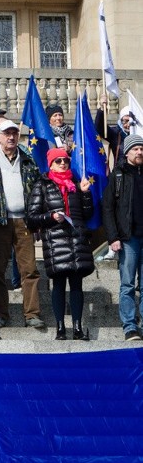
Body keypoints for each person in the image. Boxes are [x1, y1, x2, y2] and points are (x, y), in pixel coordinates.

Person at [0, 119, 44, 329]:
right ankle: (0, 314)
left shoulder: (29, 162)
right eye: (7, 133)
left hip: (24, 222)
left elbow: (37, 192)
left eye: (14, 133)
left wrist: (37, 219)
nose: (11, 137)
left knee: (29, 269)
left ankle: (32, 314)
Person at [26, 148, 94, 341]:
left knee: (76, 284)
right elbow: (31, 217)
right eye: (58, 161)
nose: (63, 163)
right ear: (51, 164)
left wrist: (86, 194)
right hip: (55, 241)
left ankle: (78, 327)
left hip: (76, 239)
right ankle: (60, 327)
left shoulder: (75, 183)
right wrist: (51, 216)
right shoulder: (43, 184)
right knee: (58, 284)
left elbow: (87, 214)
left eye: (65, 160)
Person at [102, 134, 143, 341]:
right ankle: (130, 326)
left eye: (142, 149)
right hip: (128, 239)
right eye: (136, 149)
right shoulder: (117, 174)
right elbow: (108, 208)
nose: (140, 152)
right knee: (127, 284)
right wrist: (113, 237)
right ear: (127, 152)